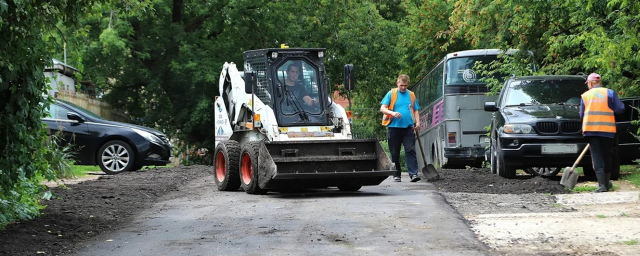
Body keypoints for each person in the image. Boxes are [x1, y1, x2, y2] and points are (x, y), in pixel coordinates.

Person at [580, 73, 625, 192]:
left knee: (596, 157)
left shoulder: (585, 96)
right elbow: (620, 109)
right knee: (606, 156)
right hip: (607, 130)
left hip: (591, 130)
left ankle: (602, 185)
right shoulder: (609, 93)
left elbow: (581, 114)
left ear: (590, 83)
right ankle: (606, 183)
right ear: (599, 82)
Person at [380, 74, 421, 182]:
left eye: (405, 86)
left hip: (408, 128)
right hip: (394, 127)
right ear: (397, 83)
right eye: (401, 85)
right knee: (395, 152)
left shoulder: (411, 95)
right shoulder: (391, 93)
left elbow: (415, 110)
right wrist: (392, 113)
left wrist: (418, 122)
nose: (403, 87)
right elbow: (383, 108)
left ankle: (413, 174)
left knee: (410, 150)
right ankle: (396, 174)